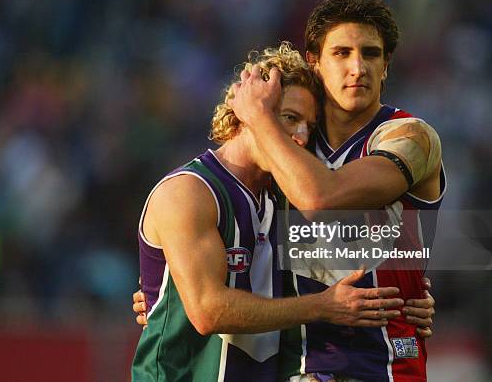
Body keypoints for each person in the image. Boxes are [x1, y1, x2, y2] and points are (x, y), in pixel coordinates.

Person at [131, 43, 408, 382]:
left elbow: (361, 262)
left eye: (310, 125)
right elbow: (207, 311)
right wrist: (322, 306)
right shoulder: (189, 191)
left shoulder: (284, 199)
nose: (301, 136)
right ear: (248, 114)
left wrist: (414, 298)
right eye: (289, 118)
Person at [229, 0, 444, 382]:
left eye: (371, 54)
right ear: (315, 61)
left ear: (387, 65)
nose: (357, 67)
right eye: (341, 53)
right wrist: (171, 286)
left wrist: (260, 118)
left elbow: (319, 198)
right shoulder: (293, 142)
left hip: (385, 370)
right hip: (298, 370)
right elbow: (228, 209)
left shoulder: (411, 137)